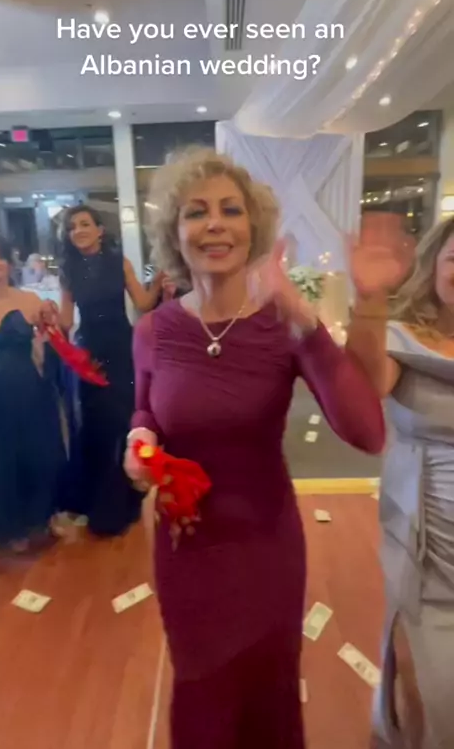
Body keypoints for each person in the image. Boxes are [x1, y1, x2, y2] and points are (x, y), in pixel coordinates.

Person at [124, 148, 385, 749]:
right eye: (197, 212)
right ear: (175, 234)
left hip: (267, 547)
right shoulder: (154, 330)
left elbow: (367, 434)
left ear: (254, 228)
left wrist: (305, 323)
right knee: (201, 690)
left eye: (231, 210)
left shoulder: (284, 324)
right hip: (186, 548)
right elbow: (145, 409)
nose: (215, 224)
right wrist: (139, 439)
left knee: (269, 690)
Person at [347, 213, 454, 749]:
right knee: (430, 683)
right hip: (429, 537)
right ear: (434, 265)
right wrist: (370, 299)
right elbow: (366, 384)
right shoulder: (403, 337)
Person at [58, 205, 163, 537]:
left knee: (122, 422)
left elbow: (143, 303)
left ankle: (126, 500)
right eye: (72, 227)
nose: (78, 231)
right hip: (89, 354)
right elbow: (65, 320)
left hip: (122, 349)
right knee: (96, 427)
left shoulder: (120, 263)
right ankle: (100, 504)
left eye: (85, 224)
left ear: (100, 230)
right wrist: (42, 314)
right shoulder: (68, 270)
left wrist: (158, 281)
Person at [0, 234, 66, 555]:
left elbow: (51, 343)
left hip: (25, 393)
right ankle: (4, 526)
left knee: (34, 456)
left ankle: (36, 518)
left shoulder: (29, 300)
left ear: (9, 264)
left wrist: (51, 319)